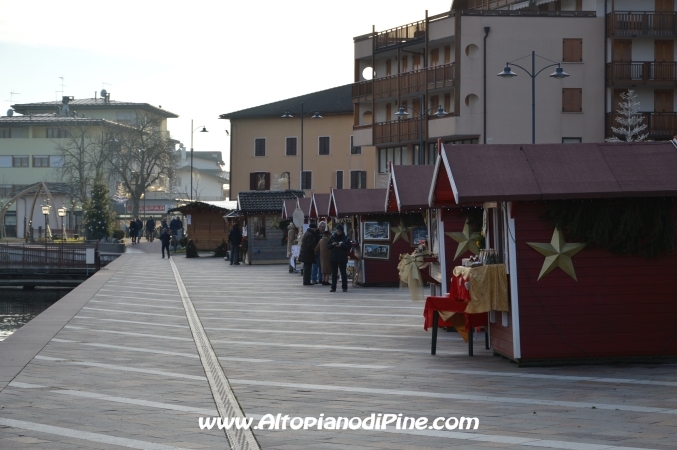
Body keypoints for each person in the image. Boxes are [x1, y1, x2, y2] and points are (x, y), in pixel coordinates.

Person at [328, 223, 351, 292]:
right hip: (333, 257)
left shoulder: (346, 238)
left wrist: (341, 245)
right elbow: (328, 246)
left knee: (343, 273)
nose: (338, 233)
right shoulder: (332, 237)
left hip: (342, 257)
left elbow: (348, 247)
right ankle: (333, 287)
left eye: (340, 231)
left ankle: (344, 287)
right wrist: (332, 244)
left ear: (342, 231)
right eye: (337, 231)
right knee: (334, 273)